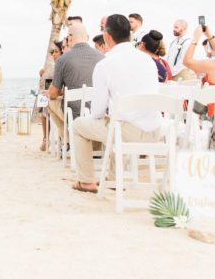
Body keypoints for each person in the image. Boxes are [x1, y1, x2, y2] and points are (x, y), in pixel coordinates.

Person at [71, 14, 162, 193]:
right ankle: (113, 177)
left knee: (79, 126)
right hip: (155, 130)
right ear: (129, 34)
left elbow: (97, 111)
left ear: (107, 36)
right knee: (117, 119)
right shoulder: (148, 61)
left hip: (127, 133)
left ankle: (87, 181)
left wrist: (102, 115)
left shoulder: (105, 65)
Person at [45, 24, 103, 146]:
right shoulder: (102, 57)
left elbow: (53, 93)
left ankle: (67, 141)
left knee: (50, 103)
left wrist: (50, 93)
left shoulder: (63, 59)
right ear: (87, 37)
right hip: (98, 112)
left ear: (70, 38)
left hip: (74, 114)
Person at [182, 24, 215, 116]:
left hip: (208, 114)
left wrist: (195, 38)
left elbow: (187, 61)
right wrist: (209, 35)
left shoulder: (212, 65)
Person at [38, 40, 64, 151]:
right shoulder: (52, 66)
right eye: (53, 52)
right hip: (52, 94)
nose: (53, 54)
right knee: (43, 98)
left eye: (56, 52)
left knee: (43, 101)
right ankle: (45, 138)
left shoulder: (59, 66)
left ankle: (46, 138)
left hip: (57, 96)